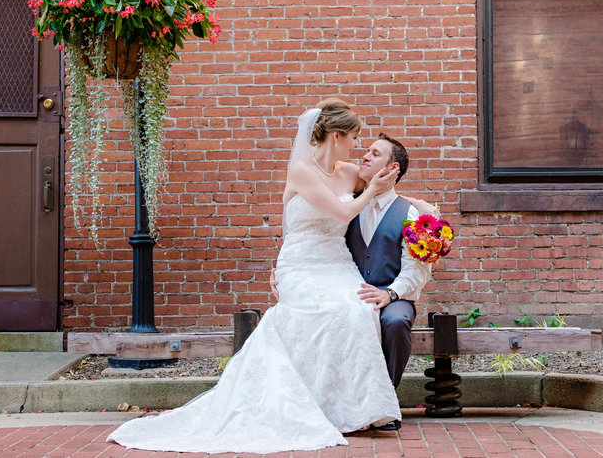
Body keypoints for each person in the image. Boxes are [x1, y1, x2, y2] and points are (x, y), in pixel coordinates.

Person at [107, 99, 402, 453]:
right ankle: (314, 408)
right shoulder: (301, 170)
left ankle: (359, 410)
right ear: (336, 136)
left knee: (358, 309)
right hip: (302, 265)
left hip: (337, 264)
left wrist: (420, 207)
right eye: (354, 137)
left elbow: (385, 192)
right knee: (324, 311)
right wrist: (369, 191)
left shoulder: (349, 172)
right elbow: (342, 213)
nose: (357, 145)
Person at [271, 132, 435, 433]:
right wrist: (283, 268)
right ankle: (343, 401)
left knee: (395, 322)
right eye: (365, 150)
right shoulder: (348, 204)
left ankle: (385, 401)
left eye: (374, 154)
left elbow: (417, 269)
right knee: (349, 315)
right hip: (347, 285)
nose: (364, 155)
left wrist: (391, 293)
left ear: (392, 168)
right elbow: (313, 235)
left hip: (394, 295)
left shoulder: (412, 215)